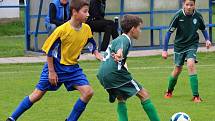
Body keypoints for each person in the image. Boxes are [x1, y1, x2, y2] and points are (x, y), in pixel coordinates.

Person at [6, 0, 102, 121]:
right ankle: (12, 118)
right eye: (85, 11)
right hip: (56, 66)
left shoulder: (86, 28)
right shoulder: (61, 30)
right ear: (74, 12)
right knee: (37, 95)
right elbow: (49, 51)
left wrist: (97, 54)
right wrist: (51, 71)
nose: (88, 14)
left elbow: (91, 44)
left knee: (88, 92)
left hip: (72, 69)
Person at [97, 14, 160, 121]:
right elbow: (120, 50)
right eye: (139, 28)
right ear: (132, 29)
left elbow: (120, 58)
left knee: (121, 98)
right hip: (114, 74)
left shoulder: (118, 39)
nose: (140, 31)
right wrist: (119, 55)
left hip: (102, 74)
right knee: (144, 94)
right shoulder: (125, 39)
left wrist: (120, 59)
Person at [162, 0, 212, 103]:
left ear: (194, 5)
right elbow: (168, 33)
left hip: (192, 44)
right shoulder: (178, 15)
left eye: (191, 5)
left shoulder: (198, 15)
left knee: (190, 64)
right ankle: (169, 91)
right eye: (187, 5)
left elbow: (203, 28)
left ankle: (196, 96)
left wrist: (207, 39)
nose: (189, 7)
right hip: (179, 46)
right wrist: (164, 50)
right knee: (177, 70)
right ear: (183, 5)